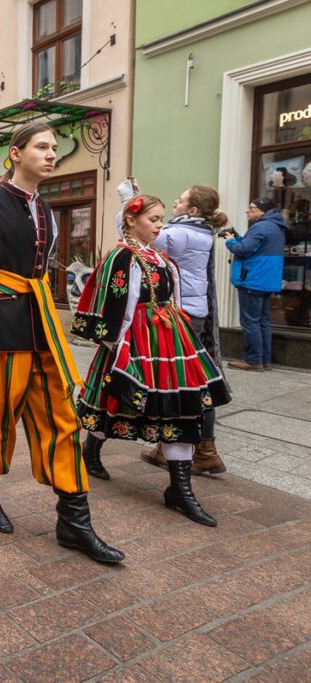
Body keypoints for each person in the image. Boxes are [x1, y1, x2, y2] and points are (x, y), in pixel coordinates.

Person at [0, 122, 123, 565]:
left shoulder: (45, 209)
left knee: (62, 418)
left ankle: (74, 520)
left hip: (40, 322)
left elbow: (41, 267)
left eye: (54, 148)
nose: (51, 154)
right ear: (15, 153)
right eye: (41, 147)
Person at [73, 194, 231, 526]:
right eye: (153, 219)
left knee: (181, 407)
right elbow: (114, 305)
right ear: (131, 221)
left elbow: (174, 298)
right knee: (116, 401)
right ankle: (90, 452)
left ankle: (180, 489)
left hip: (169, 339)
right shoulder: (122, 256)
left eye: (161, 219)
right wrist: (119, 347)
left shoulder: (158, 257)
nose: (160, 225)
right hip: (135, 340)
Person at [119, 185, 229, 477]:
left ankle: (203, 449)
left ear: (192, 210)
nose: (174, 203)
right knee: (183, 379)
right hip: (194, 312)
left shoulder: (181, 234)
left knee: (185, 381)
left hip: (181, 314)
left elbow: (132, 232)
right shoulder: (199, 231)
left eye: (179, 200)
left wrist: (130, 201)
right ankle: (177, 447)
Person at [224, 197, 287, 371]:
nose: (247, 211)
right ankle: (264, 360)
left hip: (253, 280)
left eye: (252, 208)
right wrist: (238, 237)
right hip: (266, 281)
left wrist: (230, 241)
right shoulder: (276, 227)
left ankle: (252, 360)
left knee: (250, 322)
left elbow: (243, 250)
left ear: (262, 211)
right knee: (263, 322)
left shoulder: (260, 227)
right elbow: (254, 247)